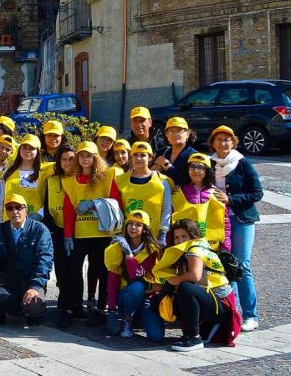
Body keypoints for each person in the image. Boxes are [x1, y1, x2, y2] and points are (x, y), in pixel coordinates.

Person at [155, 219, 240, 352]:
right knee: (175, 293)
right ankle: (191, 333)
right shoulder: (196, 247)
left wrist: (171, 281)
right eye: (176, 237)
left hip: (221, 305)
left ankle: (194, 338)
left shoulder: (194, 249)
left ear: (193, 236)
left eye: (184, 236)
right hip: (217, 302)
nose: (180, 240)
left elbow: (195, 276)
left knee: (185, 288)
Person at [209, 125, 263, 331]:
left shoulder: (243, 163)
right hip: (217, 221)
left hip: (241, 219)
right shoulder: (209, 163)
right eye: (219, 139)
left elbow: (256, 193)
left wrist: (230, 199)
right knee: (224, 266)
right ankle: (232, 312)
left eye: (227, 140)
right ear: (213, 143)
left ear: (233, 142)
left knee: (242, 265)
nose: (223, 143)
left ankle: (251, 315)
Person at [62, 141, 122, 325]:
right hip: (81, 234)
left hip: (102, 233)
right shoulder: (70, 181)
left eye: (89, 155)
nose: (85, 159)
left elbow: (115, 202)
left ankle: (101, 308)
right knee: (74, 270)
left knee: (103, 271)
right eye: (81, 155)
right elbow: (68, 210)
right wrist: (68, 235)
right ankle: (76, 306)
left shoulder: (107, 177)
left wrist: (94, 203)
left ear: (95, 158)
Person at [0, 194, 53, 327]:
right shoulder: (0, 230)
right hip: (7, 278)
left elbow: (45, 260)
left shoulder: (40, 230)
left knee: (34, 307)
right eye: (10, 208)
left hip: (29, 279)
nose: (14, 211)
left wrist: (35, 286)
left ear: (26, 210)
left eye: (18, 207)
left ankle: (29, 312)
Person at [104, 210, 165, 341]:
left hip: (147, 299)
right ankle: (127, 320)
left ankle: (137, 318)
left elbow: (135, 275)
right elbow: (112, 282)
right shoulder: (117, 248)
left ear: (145, 229)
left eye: (138, 225)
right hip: (126, 297)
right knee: (137, 287)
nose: (133, 227)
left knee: (156, 337)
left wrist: (129, 255)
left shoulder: (152, 250)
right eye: (130, 223)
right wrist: (112, 310)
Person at [42, 144, 78, 327]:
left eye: (71, 159)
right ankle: (64, 305)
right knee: (62, 270)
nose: (67, 163)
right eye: (63, 159)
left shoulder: (80, 179)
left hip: (79, 231)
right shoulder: (52, 179)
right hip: (57, 229)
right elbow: (46, 204)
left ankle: (74, 305)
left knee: (74, 271)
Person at [172, 153, 230, 251]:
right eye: (192, 167)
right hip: (184, 246)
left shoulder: (216, 194)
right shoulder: (179, 192)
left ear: (207, 171)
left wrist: (226, 247)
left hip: (210, 247)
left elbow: (225, 223)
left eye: (200, 167)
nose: (196, 170)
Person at [116, 141, 172, 243]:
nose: (138, 158)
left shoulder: (162, 181)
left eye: (143, 155)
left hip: (153, 235)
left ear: (150, 158)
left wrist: (163, 232)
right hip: (127, 236)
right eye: (135, 155)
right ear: (131, 157)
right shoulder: (120, 180)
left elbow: (166, 210)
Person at [0, 134, 48, 226]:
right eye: (24, 147)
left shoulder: (45, 171)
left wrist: (39, 214)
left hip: (34, 222)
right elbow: (1, 197)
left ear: (38, 151)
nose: (27, 151)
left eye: (31, 148)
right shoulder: (9, 169)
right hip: (8, 221)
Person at [155, 117, 196, 186]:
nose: (175, 134)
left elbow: (188, 181)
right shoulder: (162, 152)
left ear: (188, 134)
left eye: (179, 130)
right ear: (167, 135)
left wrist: (166, 165)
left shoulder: (193, 155)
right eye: (171, 131)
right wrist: (153, 170)